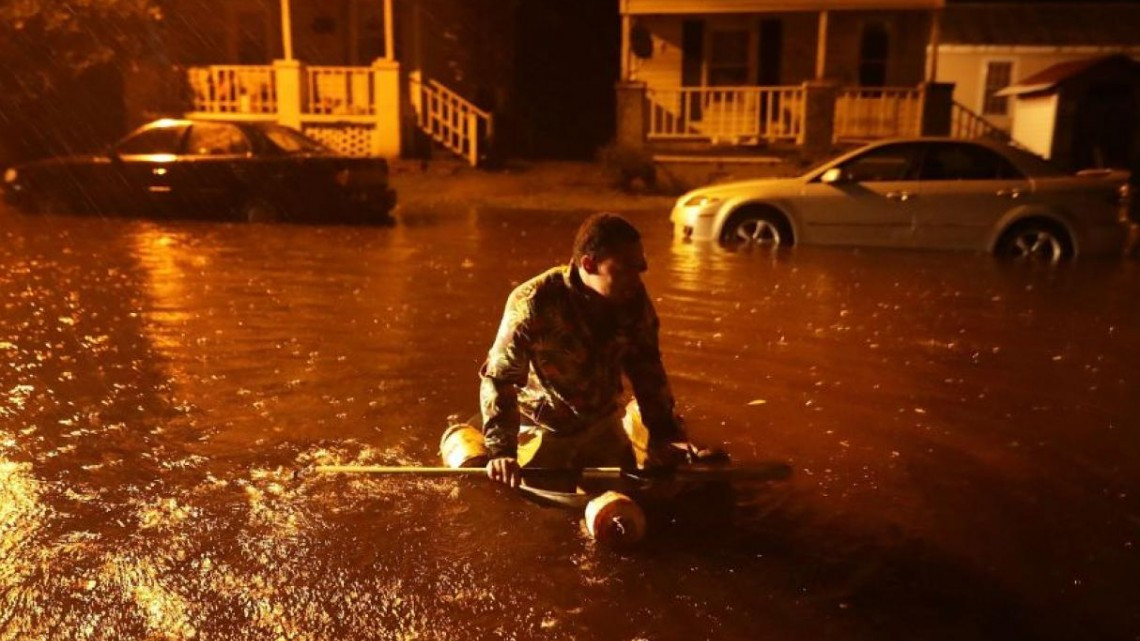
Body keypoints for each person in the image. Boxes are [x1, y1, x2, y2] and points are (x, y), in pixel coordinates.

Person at [479, 212, 704, 488]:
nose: (636, 280)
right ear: (589, 264)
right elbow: (499, 378)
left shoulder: (632, 300)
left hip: (602, 423)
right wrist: (501, 452)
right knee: (539, 510)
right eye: (624, 269)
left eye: (640, 267)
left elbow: (647, 369)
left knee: (635, 495)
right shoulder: (533, 303)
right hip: (546, 428)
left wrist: (664, 433)